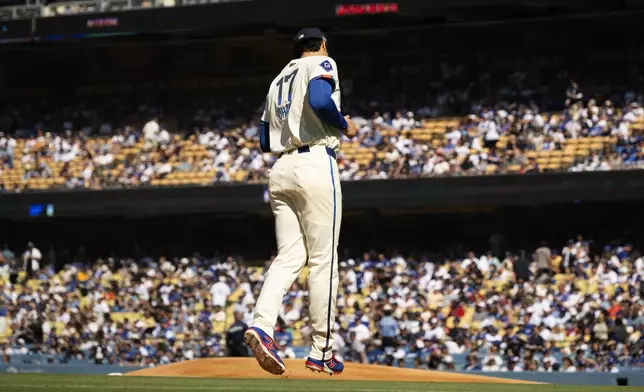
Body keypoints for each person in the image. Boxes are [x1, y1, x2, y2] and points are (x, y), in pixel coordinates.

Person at [245, 27, 357, 377]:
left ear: (296, 49)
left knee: (289, 257)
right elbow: (322, 101)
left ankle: (262, 325)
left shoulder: (278, 78)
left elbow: (264, 140)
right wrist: (344, 126)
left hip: (281, 167)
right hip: (314, 162)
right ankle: (321, 350)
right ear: (321, 45)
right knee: (324, 260)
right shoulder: (322, 61)